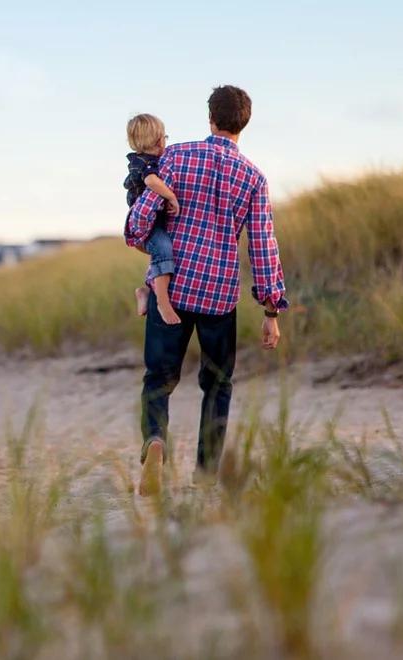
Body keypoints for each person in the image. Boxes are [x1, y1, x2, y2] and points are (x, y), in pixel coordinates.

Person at [124, 85, 289, 496]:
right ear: (243, 124)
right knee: (217, 384)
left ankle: (155, 442)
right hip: (219, 296)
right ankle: (206, 474)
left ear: (210, 118)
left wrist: (141, 235)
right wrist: (271, 312)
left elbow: (140, 218)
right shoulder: (253, 177)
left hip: (174, 289)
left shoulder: (176, 156)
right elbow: (263, 245)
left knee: (158, 380)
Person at [123, 113, 183, 325]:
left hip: (154, 222)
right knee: (164, 248)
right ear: (160, 140)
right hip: (146, 225)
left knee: (163, 253)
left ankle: (146, 292)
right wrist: (171, 196)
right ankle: (162, 303)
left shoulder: (152, 160)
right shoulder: (144, 163)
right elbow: (151, 182)